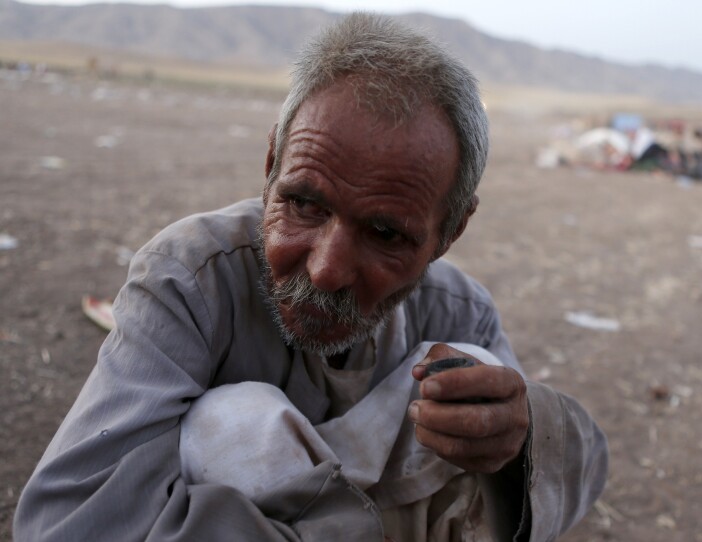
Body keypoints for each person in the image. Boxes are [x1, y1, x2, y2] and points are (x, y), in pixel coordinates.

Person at [15, 13, 607, 541]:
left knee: (481, 384)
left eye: (385, 234)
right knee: (232, 426)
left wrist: (517, 433)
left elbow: (580, 467)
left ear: (448, 234)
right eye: (303, 204)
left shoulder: (458, 310)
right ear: (271, 166)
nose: (325, 270)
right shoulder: (191, 281)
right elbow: (69, 519)